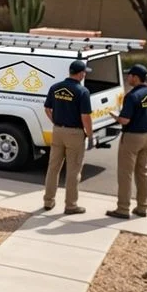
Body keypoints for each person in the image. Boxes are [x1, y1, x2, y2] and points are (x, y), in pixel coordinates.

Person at [106, 64, 147, 219]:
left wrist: (114, 116)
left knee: (125, 174)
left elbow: (124, 120)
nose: (127, 78)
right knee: (143, 173)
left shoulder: (132, 96)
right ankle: (142, 207)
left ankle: (123, 208)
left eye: (129, 75)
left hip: (131, 138)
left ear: (135, 77)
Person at [43, 59, 93, 214]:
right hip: (75, 133)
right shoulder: (82, 92)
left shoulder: (56, 87)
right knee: (73, 171)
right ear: (80, 74)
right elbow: (85, 116)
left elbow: (47, 108)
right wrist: (90, 135)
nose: (85, 74)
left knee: (53, 168)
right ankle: (71, 205)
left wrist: (56, 122)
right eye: (84, 72)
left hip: (58, 131)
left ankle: (48, 201)